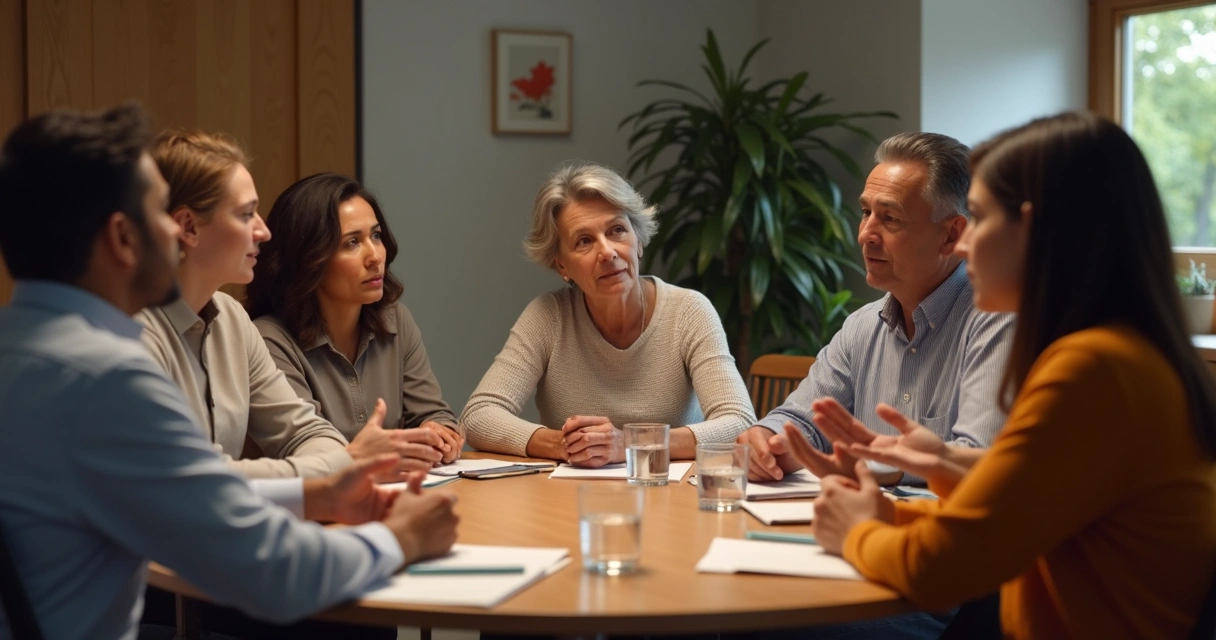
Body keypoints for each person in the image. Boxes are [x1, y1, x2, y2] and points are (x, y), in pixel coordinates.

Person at [0, 103, 459, 640]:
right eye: (160, 215)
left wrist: (320, 493)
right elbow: (272, 572)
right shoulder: (106, 380)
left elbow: (195, 491)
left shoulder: (23, 349)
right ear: (124, 238)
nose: (175, 232)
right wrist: (402, 538)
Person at [792, 112, 1216, 639]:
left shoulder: (1093, 370)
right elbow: (1007, 518)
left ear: (1032, 228)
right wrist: (923, 477)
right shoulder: (1119, 355)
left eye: (978, 217)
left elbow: (946, 566)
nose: (963, 244)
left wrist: (858, 531)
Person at [136, 131, 443, 479]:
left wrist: (345, 466)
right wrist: (349, 464)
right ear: (188, 227)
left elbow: (303, 431)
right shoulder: (132, 334)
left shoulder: (232, 320)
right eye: (246, 214)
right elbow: (190, 477)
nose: (263, 232)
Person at [738, 132, 1014, 485]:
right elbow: (802, 420)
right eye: (866, 212)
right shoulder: (862, 327)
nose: (865, 234)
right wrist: (770, 441)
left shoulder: (997, 320)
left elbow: (981, 460)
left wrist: (883, 465)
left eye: (890, 219)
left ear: (950, 235)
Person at [462, 161, 755, 465]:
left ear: (638, 241)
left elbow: (739, 422)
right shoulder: (548, 316)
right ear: (561, 265)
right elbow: (479, 416)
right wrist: (565, 445)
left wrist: (629, 443)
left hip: (666, 494)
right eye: (584, 241)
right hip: (566, 498)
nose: (608, 252)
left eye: (617, 230)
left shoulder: (689, 311)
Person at [245, 173, 462, 463]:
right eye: (352, 243)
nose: (375, 256)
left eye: (376, 236)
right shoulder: (268, 339)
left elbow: (433, 413)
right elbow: (304, 447)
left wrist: (439, 433)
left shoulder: (394, 318)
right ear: (309, 258)